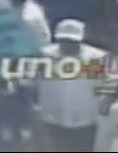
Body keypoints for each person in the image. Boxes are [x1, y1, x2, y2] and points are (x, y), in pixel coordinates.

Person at [30, 19, 107, 152]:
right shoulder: (42, 56)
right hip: (52, 121)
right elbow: (31, 85)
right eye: (64, 41)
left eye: (73, 42)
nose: (68, 45)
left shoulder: (98, 58)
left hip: (86, 123)